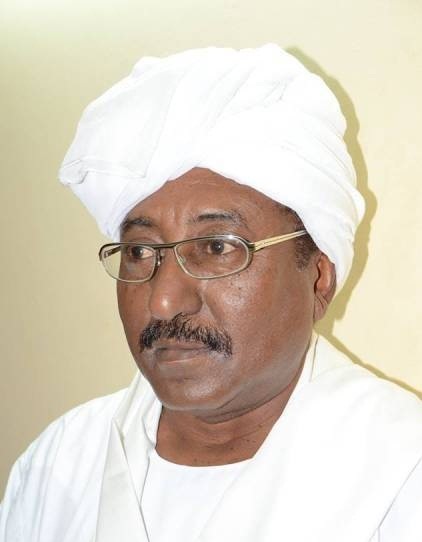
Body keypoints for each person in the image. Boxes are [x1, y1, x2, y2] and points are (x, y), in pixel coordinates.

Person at [1, 44, 422, 542]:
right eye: (140, 251)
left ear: (318, 279)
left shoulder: (400, 469)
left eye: (218, 247)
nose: (163, 300)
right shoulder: (59, 463)